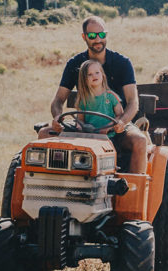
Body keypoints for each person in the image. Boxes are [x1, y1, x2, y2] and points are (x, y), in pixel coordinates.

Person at [41, 16, 147, 174]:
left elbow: (133, 102)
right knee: (44, 133)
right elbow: (58, 100)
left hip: (115, 124)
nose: (98, 39)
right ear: (84, 37)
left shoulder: (122, 63)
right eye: (92, 36)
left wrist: (122, 122)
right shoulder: (75, 63)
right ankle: (49, 185)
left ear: (106, 35)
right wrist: (57, 117)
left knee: (140, 140)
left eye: (101, 35)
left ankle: (133, 192)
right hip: (85, 124)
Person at [76, 60, 126, 136]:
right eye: (89, 74)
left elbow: (120, 115)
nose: (94, 76)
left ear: (102, 75)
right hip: (90, 136)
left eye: (97, 72)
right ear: (84, 79)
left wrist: (108, 126)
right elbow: (80, 119)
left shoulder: (111, 96)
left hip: (109, 136)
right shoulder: (83, 99)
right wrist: (80, 126)